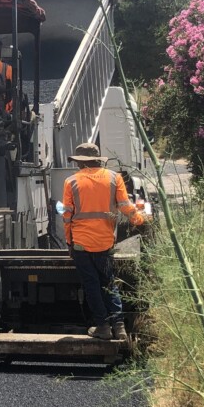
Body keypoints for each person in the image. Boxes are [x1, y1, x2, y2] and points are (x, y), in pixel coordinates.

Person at [61, 142, 149, 341]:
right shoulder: (114, 177)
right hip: (105, 242)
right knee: (109, 283)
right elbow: (125, 206)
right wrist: (140, 220)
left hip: (81, 244)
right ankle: (119, 326)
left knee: (91, 286)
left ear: (81, 162)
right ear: (97, 160)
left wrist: (69, 242)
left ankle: (102, 326)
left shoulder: (71, 182)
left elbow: (66, 216)